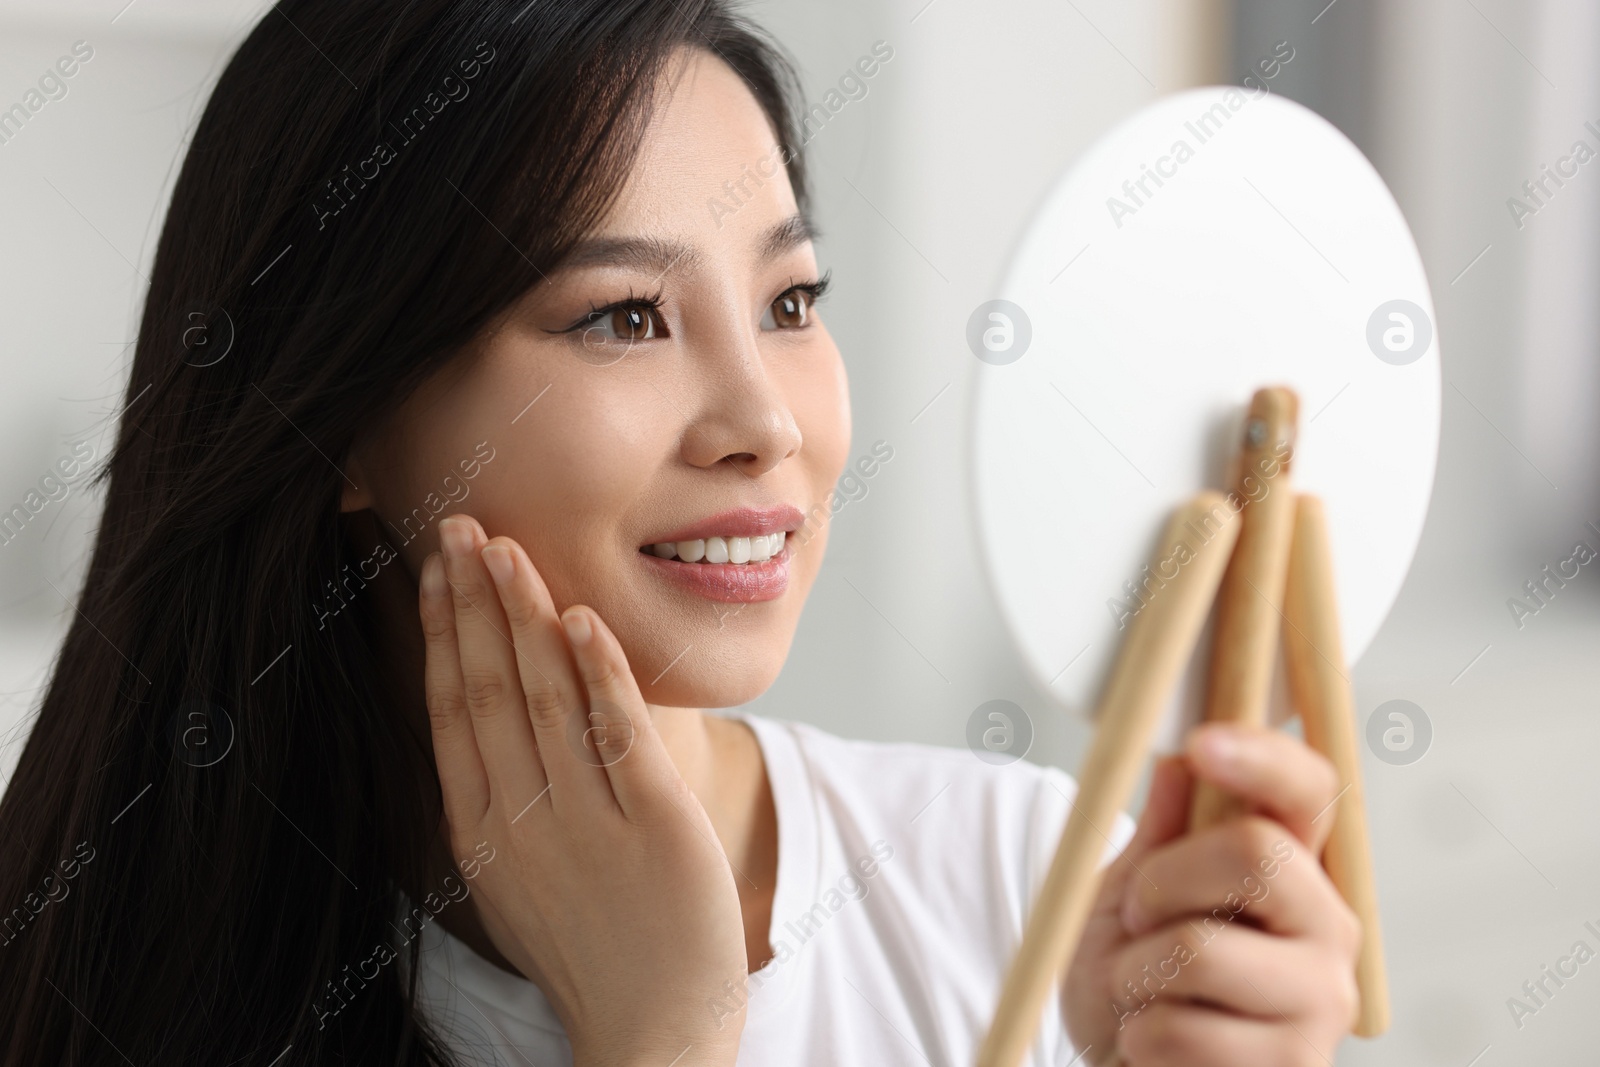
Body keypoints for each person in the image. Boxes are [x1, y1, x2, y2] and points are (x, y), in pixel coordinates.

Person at [0, 1, 1361, 1064]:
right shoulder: (100, 968)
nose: (765, 421)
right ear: (346, 422)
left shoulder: (1030, 889)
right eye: (623, 317)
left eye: (790, 299)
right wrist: (662, 1038)